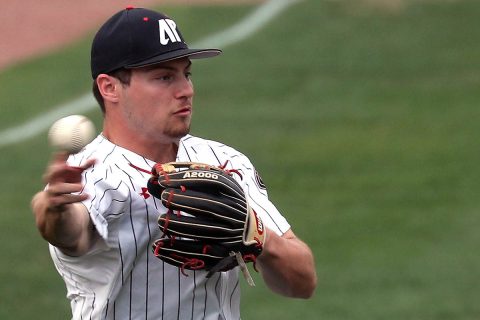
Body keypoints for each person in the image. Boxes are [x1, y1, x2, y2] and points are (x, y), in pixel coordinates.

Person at [31, 6, 316, 320]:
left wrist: (259, 237)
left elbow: (302, 283)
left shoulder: (224, 162)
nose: (186, 90)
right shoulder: (92, 174)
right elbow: (70, 232)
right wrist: (54, 207)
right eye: (164, 77)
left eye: (186, 73)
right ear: (109, 87)